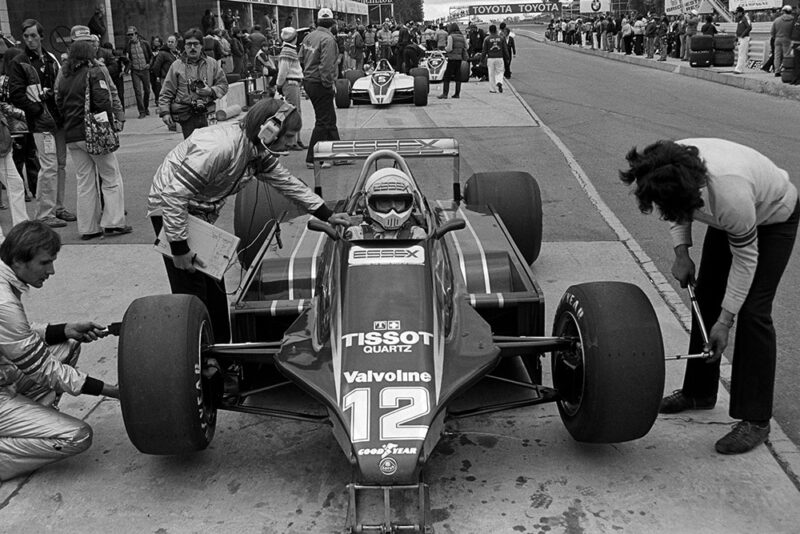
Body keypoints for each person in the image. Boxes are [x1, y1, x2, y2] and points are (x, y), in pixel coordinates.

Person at [619, 138, 798, 455]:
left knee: (754, 312)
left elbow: (746, 260)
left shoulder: (729, 195)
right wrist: (681, 254)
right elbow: (675, 207)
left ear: (692, 195)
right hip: (727, 213)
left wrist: (725, 323)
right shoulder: (669, 163)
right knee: (707, 295)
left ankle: (756, 420)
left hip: (773, 217)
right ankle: (698, 393)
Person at [147, 98, 351, 343]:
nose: (291, 143)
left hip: (198, 211)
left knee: (214, 283)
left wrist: (327, 214)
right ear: (269, 129)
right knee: (193, 292)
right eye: (288, 136)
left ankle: (222, 352)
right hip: (171, 210)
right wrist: (179, 248)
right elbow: (173, 194)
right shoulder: (220, 147)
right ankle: (195, 357)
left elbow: (288, 183)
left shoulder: (255, 150)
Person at [0, 221, 119, 482]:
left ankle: (30, 421)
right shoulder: (4, 302)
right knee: (76, 436)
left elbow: (18, 334)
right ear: (18, 261)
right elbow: (43, 369)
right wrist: (110, 390)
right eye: (44, 263)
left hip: (5, 375)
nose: (51, 270)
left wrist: (64, 329)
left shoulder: (4, 277)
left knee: (68, 344)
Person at [55, 32, 129, 241]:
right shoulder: (94, 72)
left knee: (84, 181)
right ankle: (113, 223)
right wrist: (110, 123)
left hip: (72, 134)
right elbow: (103, 100)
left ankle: (88, 228)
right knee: (110, 175)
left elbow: (59, 103)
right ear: (89, 53)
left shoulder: (65, 75)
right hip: (93, 132)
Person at [8, 19, 75, 229]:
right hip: (40, 122)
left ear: (41, 36)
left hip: (58, 119)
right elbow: (16, 94)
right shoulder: (19, 62)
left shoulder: (51, 58)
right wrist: (35, 109)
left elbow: (60, 84)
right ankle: (45, 213)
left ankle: (58, 207)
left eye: (33, 35)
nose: (30, 39)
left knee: (61, 165)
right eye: (26, 36)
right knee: (49, 166)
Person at [300, 8, 348, 170]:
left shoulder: (308, 37)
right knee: (323, 121)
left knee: (329, 119)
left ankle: (338, 154)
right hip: (321, 83)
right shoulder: (328, 39)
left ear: (317, 22)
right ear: (333, 23)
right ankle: (312, 158)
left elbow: (301, 58)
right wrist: (329, 84)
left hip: (309, 81)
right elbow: (326, 66)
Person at [159, 27, 228, 140]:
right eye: (188, 44)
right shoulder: (176, 66)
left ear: (201, 45)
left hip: (207, 113)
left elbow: (223, 85)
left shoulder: (212, 64)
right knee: (192, 148)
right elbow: (166, 91)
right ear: (184, 46)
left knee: (209, 146)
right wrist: (165, 112)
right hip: (186, 116)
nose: (192, 48)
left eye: (195, 44)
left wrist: (210, 91)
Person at [345, 168, 426, 240]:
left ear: (408, 203)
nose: (393, 207)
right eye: (385, 201)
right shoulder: (356, 235)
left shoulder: (417, 235)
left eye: (399, 201)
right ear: (370, 203)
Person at [276, 26, 304, 151]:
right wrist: (279, 84)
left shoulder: (289, 50)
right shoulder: (287, 52)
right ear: (294, 38)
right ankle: (291, 141)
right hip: (291, 83)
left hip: (293, 84)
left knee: (296, 112)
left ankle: (297, 139)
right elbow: (283, 72)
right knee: (293, 113)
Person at [123, 26, 153, 119]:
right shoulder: (127, 46)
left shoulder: (145, 44)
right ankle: (141, 111)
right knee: (138, 91)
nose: (130, 37)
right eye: (128, 35)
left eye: (131, 34)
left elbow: (151, 56)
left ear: (136, 34)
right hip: (135, 71)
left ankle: (146, 107)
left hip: (145, 70)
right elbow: (125, 58)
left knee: (147, 90)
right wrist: (127, 69)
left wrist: (149, 64)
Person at [438, 23, 467, 99]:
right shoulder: (462, 37)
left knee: (447, 76)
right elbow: (466, 46)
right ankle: (457, 94)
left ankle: (445, 94)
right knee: (458, 76)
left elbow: (449, 48)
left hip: (452, 58)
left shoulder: (451, 37)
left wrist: (445, 49)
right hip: (459, 58)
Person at [483, 24, 507, 94]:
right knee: (500, 71)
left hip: (490, 58)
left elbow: (484, 51)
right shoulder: (501, 38)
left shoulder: (487, 39)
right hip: (499, 57)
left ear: (489, 31)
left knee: (491, 73)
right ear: (496, 30)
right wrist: (507, 57)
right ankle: (499, 81)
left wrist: (482, 60)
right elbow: (505, 49)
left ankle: (492, 89)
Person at [772, 5, 795, 77]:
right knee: (786, 55)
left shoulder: (777, 20)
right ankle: (786, 70)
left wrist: (775, 36)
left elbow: (772, 32)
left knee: (777, 56)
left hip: (778, 39)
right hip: (787, 39)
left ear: (783, 11)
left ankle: (777, 71)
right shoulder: (793, 20)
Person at [733, 7, 752, 75]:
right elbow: (738, 29)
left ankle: (738, 69)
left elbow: (749, 27)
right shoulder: (740, 19)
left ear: (741, 12)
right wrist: (736, 38)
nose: (736, 15)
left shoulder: (745, 18)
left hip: (744, 38)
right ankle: (740, 68)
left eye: (737, 13)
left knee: (742, 53)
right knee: (740, 53)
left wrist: (742, 35)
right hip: (740, 38)